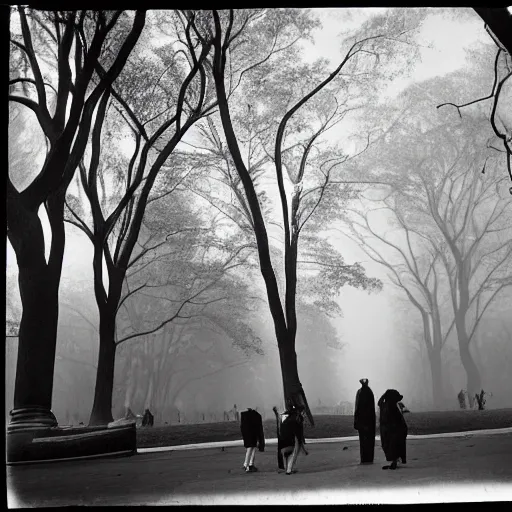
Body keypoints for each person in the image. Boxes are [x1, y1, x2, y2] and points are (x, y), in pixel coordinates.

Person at [273, 404, 308, 475]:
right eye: (304, 412)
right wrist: (303, 449)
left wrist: (276, 412)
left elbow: (280, 422)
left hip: (282, 440)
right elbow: (299, 433)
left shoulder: (286, 417)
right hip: (290, 439)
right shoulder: (298, 418)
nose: (304, 414)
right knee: (294, 453)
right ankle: (289, 470)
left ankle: (287, 468)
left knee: (287, 454)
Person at [378, 389, 408, 470]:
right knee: (394, 445)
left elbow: (379, 402)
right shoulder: (391, 406)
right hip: (393, 429)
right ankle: (394, 461)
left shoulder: (385, 405)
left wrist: (384, 395)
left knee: (390, 446)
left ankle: (394, 461)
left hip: (387, 430)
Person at [354, 378, 376, 464]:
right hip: (369, 420)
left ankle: (364, 458)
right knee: (369, 440)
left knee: (363, 440)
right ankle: (369, 458)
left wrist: (356, 421)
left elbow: (357, 408)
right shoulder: (369, 392)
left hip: (362, 420)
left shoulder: (360, 392)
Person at [240, 407, 265, 472]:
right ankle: (247, 464)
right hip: (253, 435)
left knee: (250, 449)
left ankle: (249, 465)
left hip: (248, 435)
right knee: (251, 449)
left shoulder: (245, 417)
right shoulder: (256, 416)